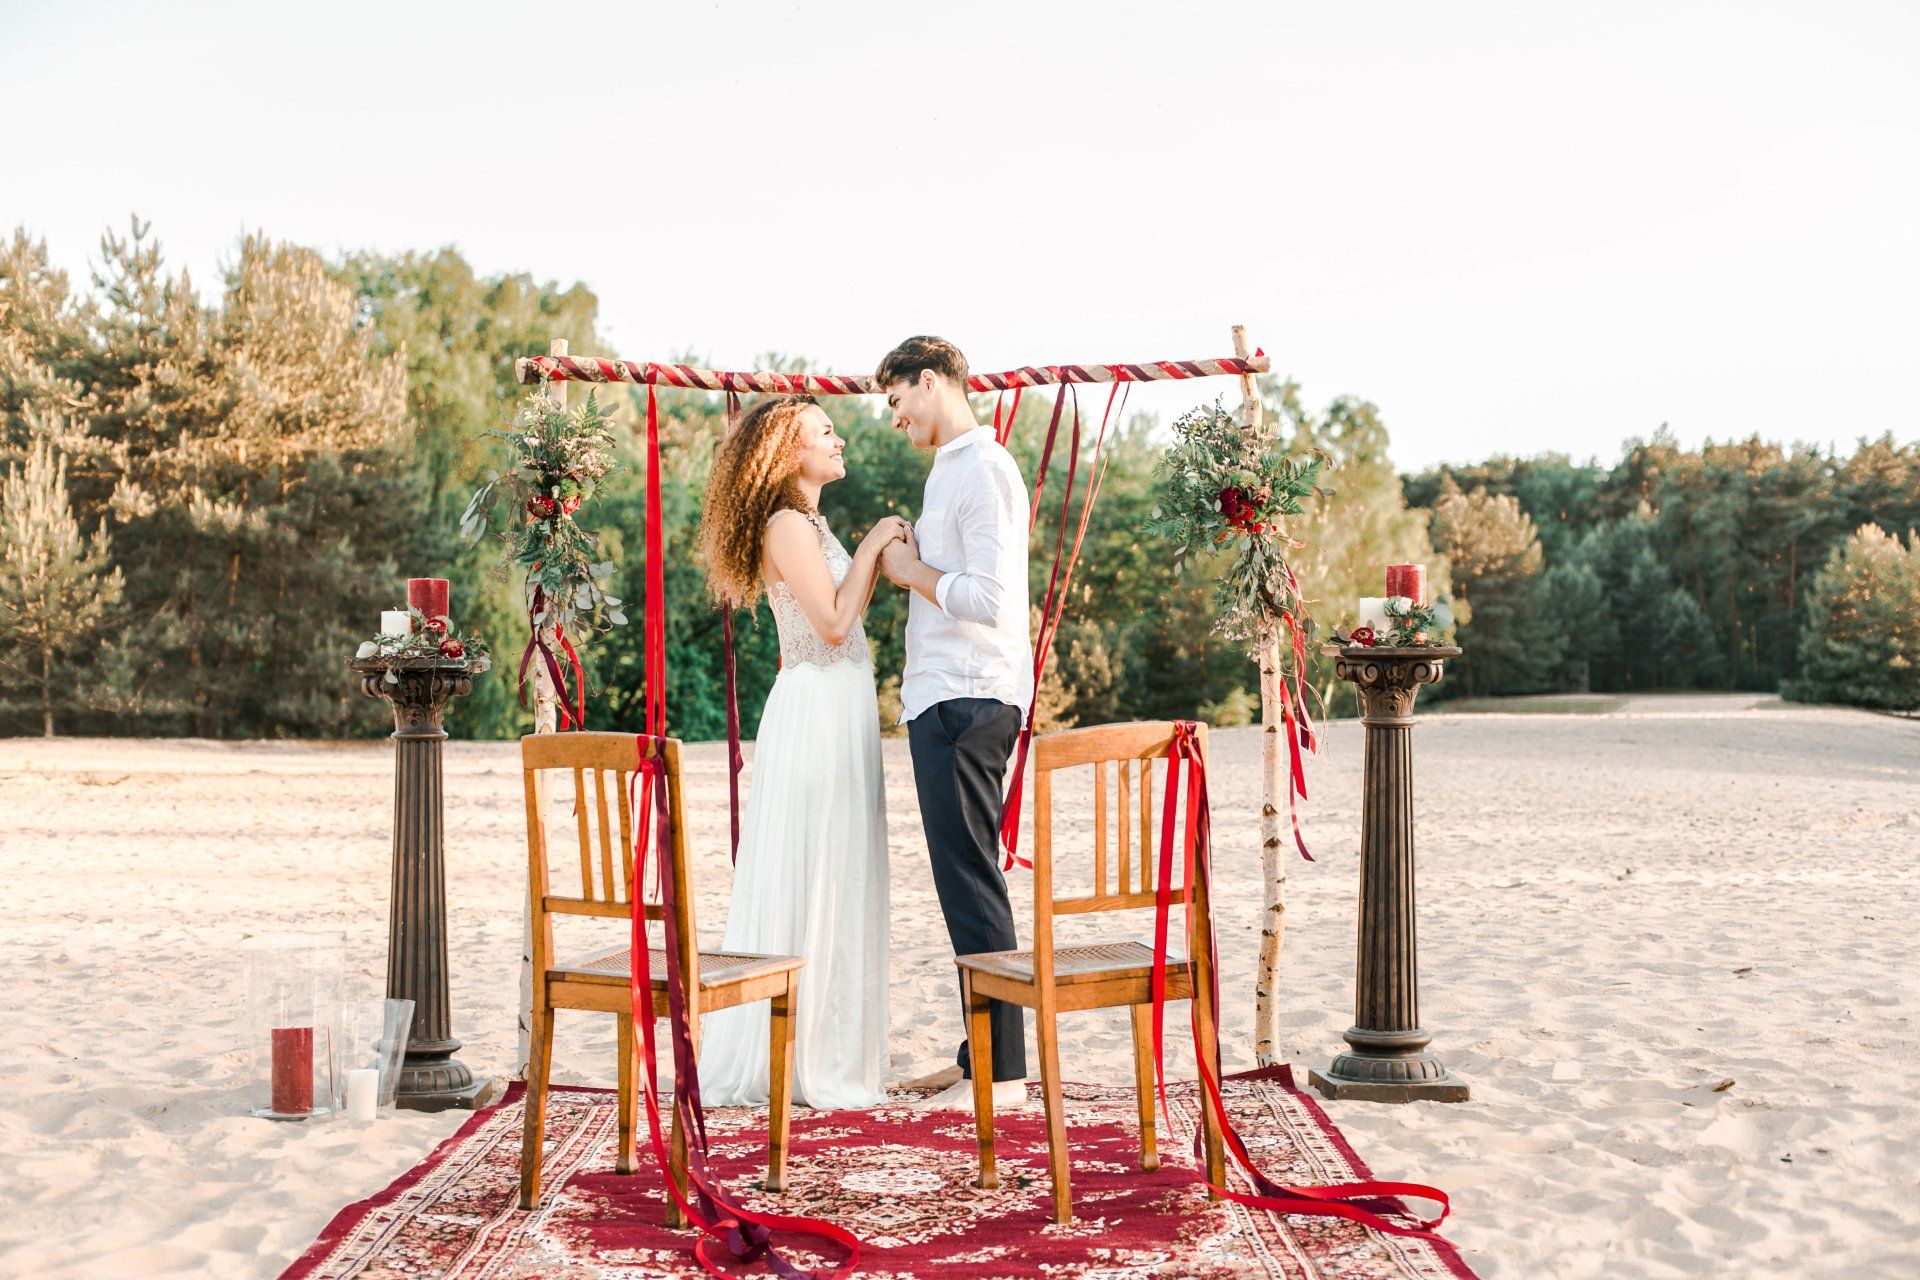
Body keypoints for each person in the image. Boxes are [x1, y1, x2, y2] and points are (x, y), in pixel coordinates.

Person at [694, 394, 909, 1108]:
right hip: (816, 706)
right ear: (789, 454)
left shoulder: (809, 522)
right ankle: (801, 1054)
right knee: (816, 867)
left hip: (840, 702)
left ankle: (829, 1044)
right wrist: (877, 541)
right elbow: (836, 623)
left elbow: (843, 614)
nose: (839, 439)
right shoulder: (787, 523)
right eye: (825, 432)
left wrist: (874, 552)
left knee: (842, 868)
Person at [871, 336, 1033, 1111]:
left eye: (898, 401)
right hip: (945, 697)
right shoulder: (949, 474)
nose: (894, 419)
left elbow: (991, 601)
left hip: (968, 699)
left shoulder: (985, 469)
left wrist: (910, 573)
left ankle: (1002, 1073)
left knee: (970, 878)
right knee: (962, 876)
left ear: (930, 383)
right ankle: (986, 1054)